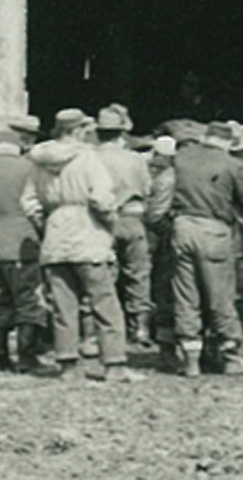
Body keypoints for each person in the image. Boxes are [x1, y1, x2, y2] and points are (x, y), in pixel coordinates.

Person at [21, 108, 141, 382]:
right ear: (77, 131)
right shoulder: (89, 158)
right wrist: (109, 222)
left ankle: (67, 364)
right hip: (87, 230)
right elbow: (101, 199)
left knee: (64, 303)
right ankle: (114, 363)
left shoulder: (38, 160)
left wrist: (47, 224)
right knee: (104, 301)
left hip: (56, 231)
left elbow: (29, 203)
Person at [170, 121, 243, 377]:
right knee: (219, 293)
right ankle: (231, 356)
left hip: (182, 226)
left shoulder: (180, 159)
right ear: (227, 142)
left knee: (186, 294)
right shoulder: (232, 165)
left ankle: (190, 359)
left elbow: (162, 195)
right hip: (213, 230)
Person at [95, 107, 153, 347]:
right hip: (132, 218)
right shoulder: (135, 159)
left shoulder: (90, 157)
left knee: (102, 275)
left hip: (102, 221)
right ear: (121, 133)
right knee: (138, 274)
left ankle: (101, 332)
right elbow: (148, 189)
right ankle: (140, 328)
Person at [0, 131, 46, 373]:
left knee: (2, 301)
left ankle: (2, 357)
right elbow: (35, 207)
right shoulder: (28, 168)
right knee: (28, 300)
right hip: (21, 241)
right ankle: (27, 357)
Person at [145, 136, 178, 368]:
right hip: (167, 236)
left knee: (164, 290)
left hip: (161, 237)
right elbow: (156, 215)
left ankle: (165, 345)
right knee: (169, 291)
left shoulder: (159, 174)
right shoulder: (170, 176)